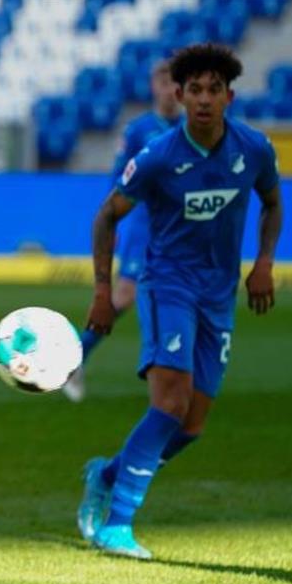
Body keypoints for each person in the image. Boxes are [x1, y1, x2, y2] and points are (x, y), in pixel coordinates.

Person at [76, 43, 282, 559]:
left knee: (191, 425)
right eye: (195, 90)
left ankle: (106, 474)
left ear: (230, 96)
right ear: (180, 94)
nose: (205, 99)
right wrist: (103, 292)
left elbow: (273, 201)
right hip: (167, 284)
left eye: (215, 90)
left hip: (218, 294)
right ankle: (117, 525)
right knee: (169, 403)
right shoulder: (158, 157)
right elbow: (106, 216)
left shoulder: (253, 149)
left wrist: (263, 264)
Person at [64, 59, 181, 402]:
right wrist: (111, 219)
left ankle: (174, 372)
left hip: (185, 227)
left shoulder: (195, 128)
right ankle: (77, 358)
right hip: (146, 225)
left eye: (176, 83)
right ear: (153, 87)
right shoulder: (139, 130)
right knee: (126, 295)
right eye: (163, 83)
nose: (170, 91)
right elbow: (118, 177)